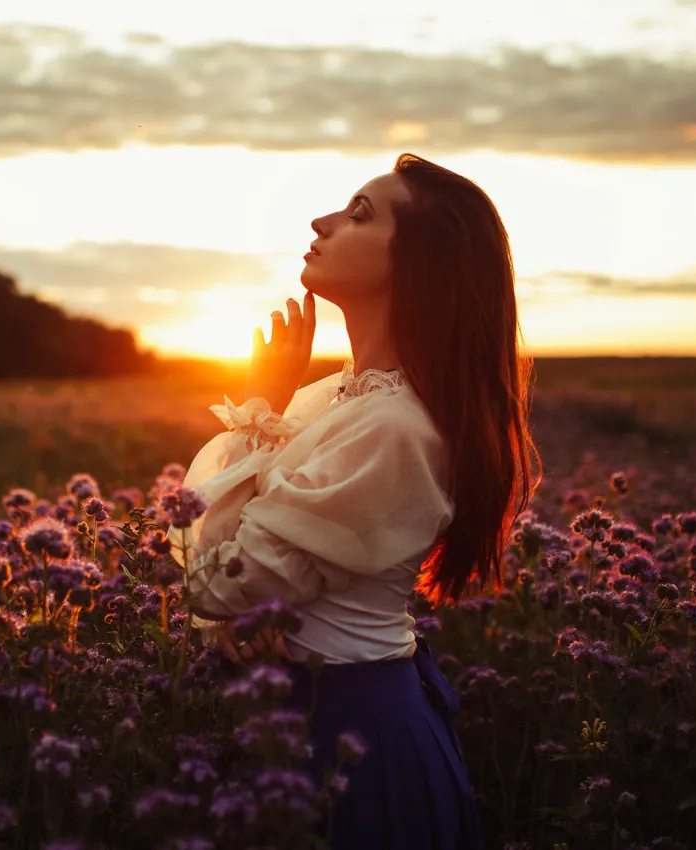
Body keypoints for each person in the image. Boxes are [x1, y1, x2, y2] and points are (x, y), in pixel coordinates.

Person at [168, 153, 542, 850]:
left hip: (356, 739)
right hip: (300, 720)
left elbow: (217, 582)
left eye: (359, 215)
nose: (322, 221)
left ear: (417, 262)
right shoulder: (331, 400)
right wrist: (240, 618)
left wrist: (259, 408)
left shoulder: (396, 429)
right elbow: (229, 579)